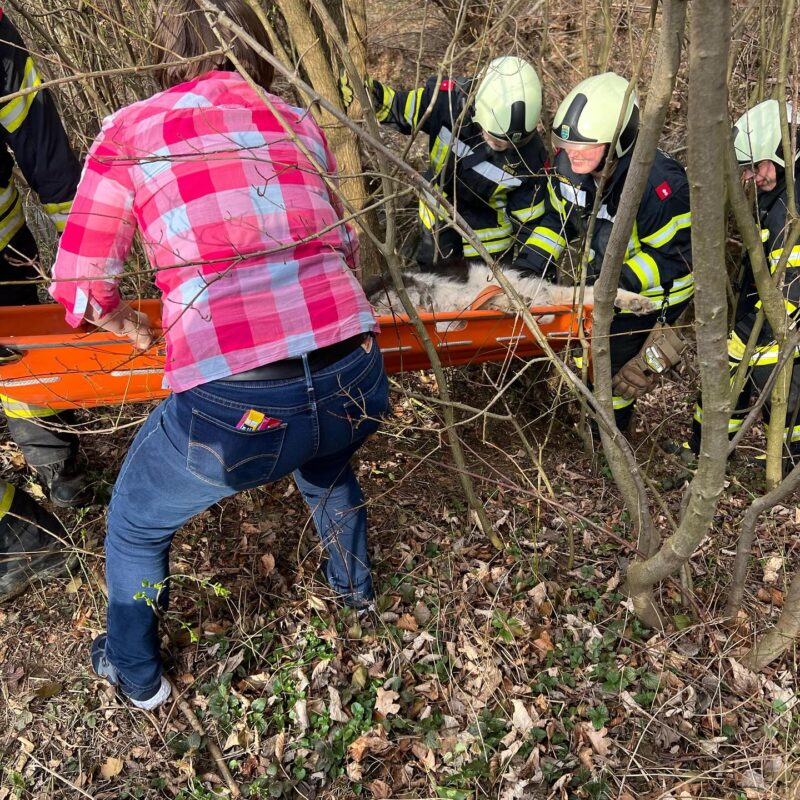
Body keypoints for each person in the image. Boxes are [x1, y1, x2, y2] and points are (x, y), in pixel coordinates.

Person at [49, 0, 389, 711]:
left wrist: (127, 325)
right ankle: (356, 596)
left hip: (243, 408)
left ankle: (136, 675)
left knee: (136, 523)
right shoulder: (293, 119)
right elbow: (344, 249)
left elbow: (80, 286)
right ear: (258, 47)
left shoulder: (132, 129)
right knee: (326, 464)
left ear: (163, 50)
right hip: (355, 370)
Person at [546, 72, 694, 431]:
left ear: (619, 142)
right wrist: (535, 262)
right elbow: (556, 219)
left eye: (586, 148)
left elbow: (676, 261)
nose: (573, 156)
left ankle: (609, 447)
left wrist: (616, 284)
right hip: (605, 289)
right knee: (591, 360)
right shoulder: (570, 167)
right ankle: (591, 425)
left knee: (616, 375)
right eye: (568, 147)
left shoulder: (659, 184)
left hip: (654, 295)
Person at [342, 55, 564, 275]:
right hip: (438, 224)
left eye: (510, 143)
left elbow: (531, 223)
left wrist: (529, 273)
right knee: (434, 288)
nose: (501, 147)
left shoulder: (532, 158)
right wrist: (373, 94)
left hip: (489, 249)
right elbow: (400, 108)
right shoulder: (445, 102)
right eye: (495, 139)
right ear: (478, 110)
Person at [680, 99, 800, 467]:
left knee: (776, 384)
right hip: (763, 302)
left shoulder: (792, 204)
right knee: (734, 374)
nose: (750, 177)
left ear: (782, 153)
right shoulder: (778, 190)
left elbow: (794, 284)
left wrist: (750, 331)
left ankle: (785, 468)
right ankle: (708, 454)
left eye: (755, 167)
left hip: (784, 315)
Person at [0, 8, 86, 508]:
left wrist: (81, 260)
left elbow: (43, 148)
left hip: (4, 249)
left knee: (21, 359)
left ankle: (60, 474)